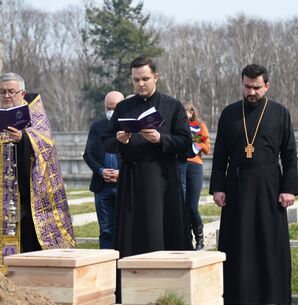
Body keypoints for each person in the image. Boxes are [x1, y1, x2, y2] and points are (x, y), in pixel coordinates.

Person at [0, 72, 75, 271]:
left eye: (11, 91)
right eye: (2, 92)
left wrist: (22, 140)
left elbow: (45, 153)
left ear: (22, 93)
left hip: (23, 198)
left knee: (24, 242)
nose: (6, 96)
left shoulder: (35, 120)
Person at [209, 64, 298, 305]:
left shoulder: (280, 113)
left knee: (268, 242)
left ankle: (273, 298)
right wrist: (217, 187)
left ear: (266, 86)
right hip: (236, 185)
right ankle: (236, 298)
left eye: (257, 87)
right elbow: (220, 155)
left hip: (269, 186)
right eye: (247, 86)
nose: (251, 92)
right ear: (242, 84)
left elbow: (289, 154)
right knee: (238, 243)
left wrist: (288, 188)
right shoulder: (229, 114)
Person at [102, 56, 193, 261]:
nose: (141, 84)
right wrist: (120, 140)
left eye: (145, 78)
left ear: (156, 77)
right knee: (132, 230)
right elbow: (106, 141)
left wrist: (161, 139)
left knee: (161, 227)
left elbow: (186, 142)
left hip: (162, 176)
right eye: (136, 80)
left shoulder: (172, 105)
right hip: (132, 177)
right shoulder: (123, 107)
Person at [83, 91, 124, 249]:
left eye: (114, 108)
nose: (111, 112)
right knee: (106, 229)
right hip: (102, 185)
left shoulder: (130, 127)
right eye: (108, 108)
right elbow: (88, 154)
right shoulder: (97, 127)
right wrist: (100, 171)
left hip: (124, 183)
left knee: (125, 227)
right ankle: (107, 261)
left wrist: (122, 172)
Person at [178, 100, 210, 251]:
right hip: (180, 165)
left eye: (187, 112)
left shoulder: (199, 127)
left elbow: (207, 148)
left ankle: (200, 239)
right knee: (182, 206)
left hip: (195, 166)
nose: (185, 114)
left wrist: (196, 145)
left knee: (192, 207)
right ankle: (186, 240)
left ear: (192, 113)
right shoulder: (177, 127)